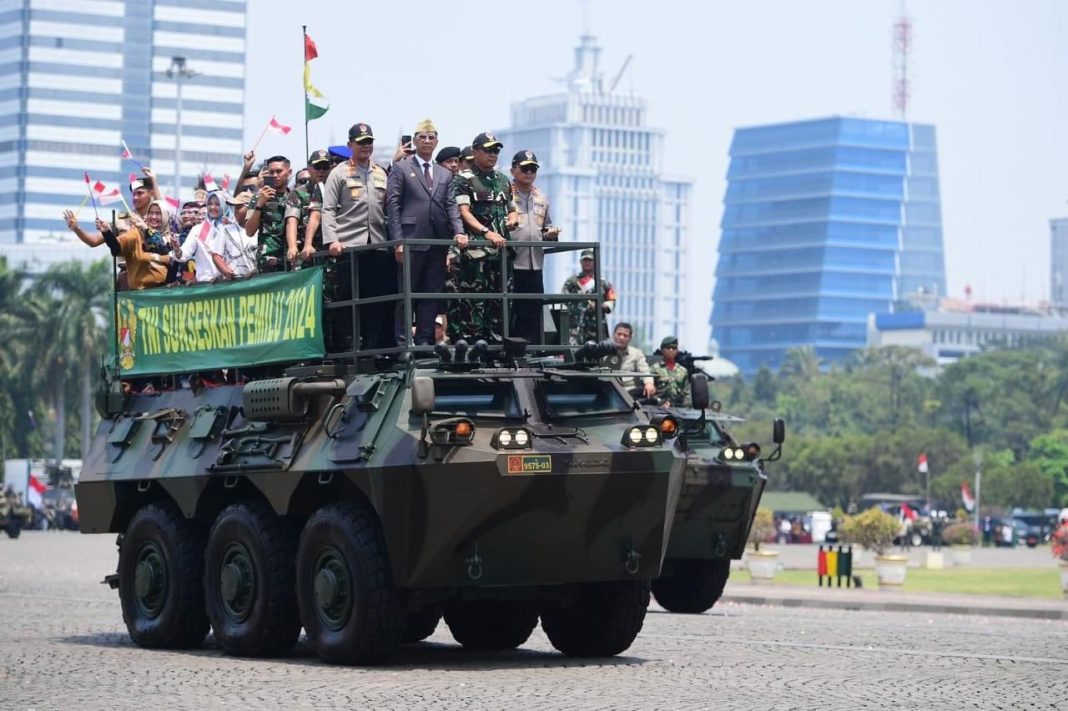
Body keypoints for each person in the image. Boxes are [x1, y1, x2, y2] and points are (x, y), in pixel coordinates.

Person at [386, 119, 464, 346]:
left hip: (437, 240)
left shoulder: (444, 173)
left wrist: (458, 232)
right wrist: (398, 241)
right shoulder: (402, 168)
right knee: (406, 295)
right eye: (422, 137)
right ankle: (403, 344)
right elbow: (393, 205)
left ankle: (424, 343)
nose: (427, 141)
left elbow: (451, 205)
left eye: (431, 137)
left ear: (437, 141)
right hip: (411, 239)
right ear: (415, 140)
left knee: (430, 295)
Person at [321, 122, 395, 351]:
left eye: (369, 142)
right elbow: (328, 209)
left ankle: (372, 343)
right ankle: (348, 344)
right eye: (361, 142)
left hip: (377, 244)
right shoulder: (339, 173)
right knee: (347, 297)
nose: (366, 146)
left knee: (376, 297)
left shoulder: (381, 172)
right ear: (350, 145)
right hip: (349, 245)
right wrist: (332, 239)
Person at [447, 132, 517, 343]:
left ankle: (496, 343)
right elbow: (464, 212)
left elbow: (512, 208)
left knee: (500, 302)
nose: (492, 154)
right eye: (487, 150)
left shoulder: (503, 180)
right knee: (473, 302)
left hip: (501, 253)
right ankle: (472, 344)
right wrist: (486, 232)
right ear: (475, 151)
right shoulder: (464, 179)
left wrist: (513, 219)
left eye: (495, 151)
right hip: (476, 252)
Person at [508, 150, 559, 344]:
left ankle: (522, 347)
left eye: (533, 169)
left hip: (535, 263)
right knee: (507, 307)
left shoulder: (541, 198)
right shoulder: (505, 193)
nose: (529, 172)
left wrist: (551, 234)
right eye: (525, 168)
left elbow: (545, 228)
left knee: (531, 308)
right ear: (513, 170)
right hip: (510, 261)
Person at [66, 201, 173, 290]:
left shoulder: (174, 238)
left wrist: (146, 229)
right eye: (151, 213)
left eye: (158, 213)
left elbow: (165, 250)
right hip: (141, 298)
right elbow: (116, 248)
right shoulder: (135, 234)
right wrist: (107, 232)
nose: (154, 217)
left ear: (165, 216)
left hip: (167, 297)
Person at [244, 155, 294, 271]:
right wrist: (260, 204)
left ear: (289, 172)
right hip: (268, 262)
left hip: (292, 260)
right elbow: (249, 231)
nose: (275, 175)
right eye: (271, 172)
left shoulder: (295, 196)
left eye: (279, 171)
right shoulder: (257, 197)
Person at [561, 248, 616, 345]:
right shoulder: (572, 281)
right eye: (585, 260)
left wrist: (599, 306)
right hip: (576, 326)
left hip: (597, 326)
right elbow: (563, 300)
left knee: (598, 354)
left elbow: (611, 301)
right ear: (580, 262)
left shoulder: (603, 282)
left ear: (595, 262)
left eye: (590, 260)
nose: (587, 263)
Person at [289, 149, 329, 263]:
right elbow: (292, 221)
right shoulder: (298, 193)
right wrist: (292, 247)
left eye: (325, 167)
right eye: (317, 167)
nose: (321, 171)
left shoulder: (334, 189)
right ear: (309, 168)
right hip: (305, 253)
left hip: (329, 251)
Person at [613, 322, 656, 398]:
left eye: (625, 335)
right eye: (619, 334)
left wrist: (649, 383)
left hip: (630, 392)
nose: (621, 337)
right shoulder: (604, 352)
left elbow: (644, 370)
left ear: (630, 338)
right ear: (614, 335)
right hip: (610, 389)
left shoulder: (636, 353)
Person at [651, 336, 691, 408]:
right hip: (658, 408)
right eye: (668, 348)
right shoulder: (654, 369)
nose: (671, 350)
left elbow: (686, 393)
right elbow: (650, 392)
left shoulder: (683, 371)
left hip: (679, 408)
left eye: (674, 348)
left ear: (677, 351)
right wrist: (660, 402)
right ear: (662, 350)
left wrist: (687, 407)